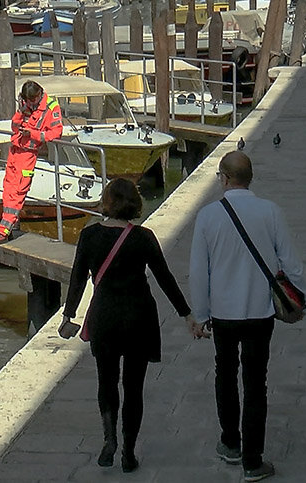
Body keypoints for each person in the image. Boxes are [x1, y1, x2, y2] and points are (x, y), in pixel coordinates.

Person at [60, 178, 197, 472]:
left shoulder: (89, 236)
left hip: (105, 317)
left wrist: (68, 316)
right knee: (134, 387)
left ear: (106, 202)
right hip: (138, 317)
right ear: (134, 202)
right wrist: (185, 313)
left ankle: (109, 440)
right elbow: (165, 278)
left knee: (106, 382)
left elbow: (77, 279)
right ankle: (129, 453)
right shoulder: (143, 237)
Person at [189, 152, 306, 483]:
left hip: (223, 313)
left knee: (225, 374)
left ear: (223, 178)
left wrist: (199, 314)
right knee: (256, 383)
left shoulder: (208, 216)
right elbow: (291, 261)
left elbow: (199, 272)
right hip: (260, 311)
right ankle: (253, 461)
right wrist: (301, 298)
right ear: (249, 178)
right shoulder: (270, 211)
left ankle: (230, 442)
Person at [0, 80, 63, 242]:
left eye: (32, 99)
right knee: (8, 190)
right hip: (15, 151)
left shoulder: (51, 107)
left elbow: (56, 133)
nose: (31, 103)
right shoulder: (25, 106)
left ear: (39, 94)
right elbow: (14, 127)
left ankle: (4, 230)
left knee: (17, 193)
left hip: (28, 155)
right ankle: (8, 226)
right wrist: (21, 111)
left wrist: (32, 134)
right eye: (28, 100)